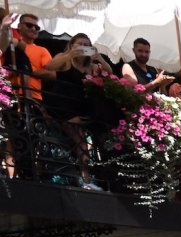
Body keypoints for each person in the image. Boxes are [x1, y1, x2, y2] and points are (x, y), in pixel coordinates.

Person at [42, 33, 112, 190]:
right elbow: (50, 67)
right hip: (63, 105)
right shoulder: (65, 59)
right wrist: (69, 54)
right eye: (80, 44)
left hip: (82, 107)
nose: (83, 48)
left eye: (87, 45)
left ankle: (86, 177)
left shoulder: (90, 66)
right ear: (72, 45)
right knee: (80, 141)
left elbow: (110, 72)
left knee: (85, 140)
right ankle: (85, 179)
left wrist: (98, 57)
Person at [5, 13, 52, 102]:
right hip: (8, 94)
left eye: (37, 27)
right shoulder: (8, 44)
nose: (33, 29)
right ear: (19, 26)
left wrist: (28, 71)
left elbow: (51, 74)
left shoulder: (42, 50)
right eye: (29, 25)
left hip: (34, 97)